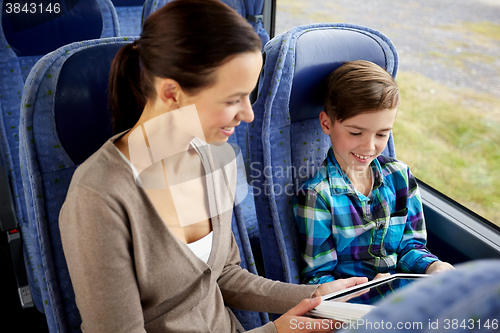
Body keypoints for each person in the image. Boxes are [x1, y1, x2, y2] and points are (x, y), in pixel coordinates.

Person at [58, 1, 367, 332]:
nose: (248, 115)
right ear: (171, 93)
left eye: (249, 96)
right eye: (233, 99)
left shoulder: (217, 161)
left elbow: (223, 273)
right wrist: (278, 330)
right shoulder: (97, 199)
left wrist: (315, 296)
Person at [293, 60, 454, 292]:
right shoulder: (317, 196)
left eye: (381, 134)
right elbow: (319, 278)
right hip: (356, 308)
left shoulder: (400, 176)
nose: (369, 147)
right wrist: (366, 288)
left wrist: (433, 267)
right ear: (326, 123)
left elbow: (411, 246)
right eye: (356, 132)